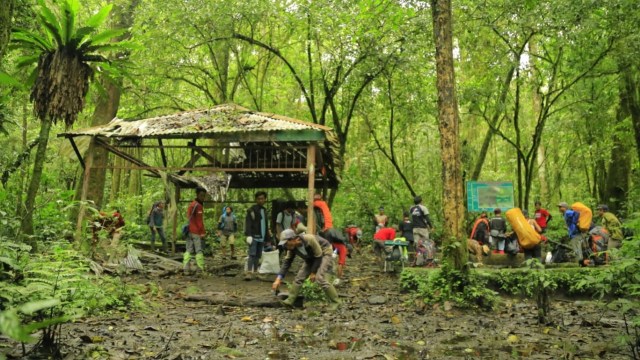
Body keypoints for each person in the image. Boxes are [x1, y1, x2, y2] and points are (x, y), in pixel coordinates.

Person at [272, 229, 342, 311]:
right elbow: (287, 262)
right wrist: (278, 278)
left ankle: (336, 302)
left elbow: (318, 256)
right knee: (299, 278)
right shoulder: (291, 248)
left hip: (324, 252)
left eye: (286, 243)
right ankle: (289, 300)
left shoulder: (309, 239)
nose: (286, 246)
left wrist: (313, 272)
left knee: (320, 278)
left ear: (294, 239)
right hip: (311, 257)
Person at [245, 191, 269, 280]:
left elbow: (265, 224)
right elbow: (248, 223)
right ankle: (249, 272)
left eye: (262, 198)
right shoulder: (251, 210)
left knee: (258, 255)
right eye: (259, 199)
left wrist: (267, 237)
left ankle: (256, 272)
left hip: (262, 237)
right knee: (252, 254)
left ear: (265, 199)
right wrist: (248, 235)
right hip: (254, 236)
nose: (261, 200)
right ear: (256, 200)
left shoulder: (264, 210)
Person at [184, 188, 207, 275]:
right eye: (201, 195)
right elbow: (199, 221)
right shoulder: (198, 206)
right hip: (196, 232)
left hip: (189, 230)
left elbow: (189, 217)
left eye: (204, 196)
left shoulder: (191, 204)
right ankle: (199, 270)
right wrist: (202, 232)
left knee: (188, 250)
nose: (203, 197)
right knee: (199, 250)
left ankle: (186, 269)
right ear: (197, 195)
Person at [410, 196, 435, 266]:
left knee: (417, 245)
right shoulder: (423, 208)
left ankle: (419, 261)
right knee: (426, 244)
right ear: (421, 201)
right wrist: (431, 227)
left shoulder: (411, 209)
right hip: (423, 228)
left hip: (415, 229)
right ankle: (427, 261)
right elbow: (427, 218)